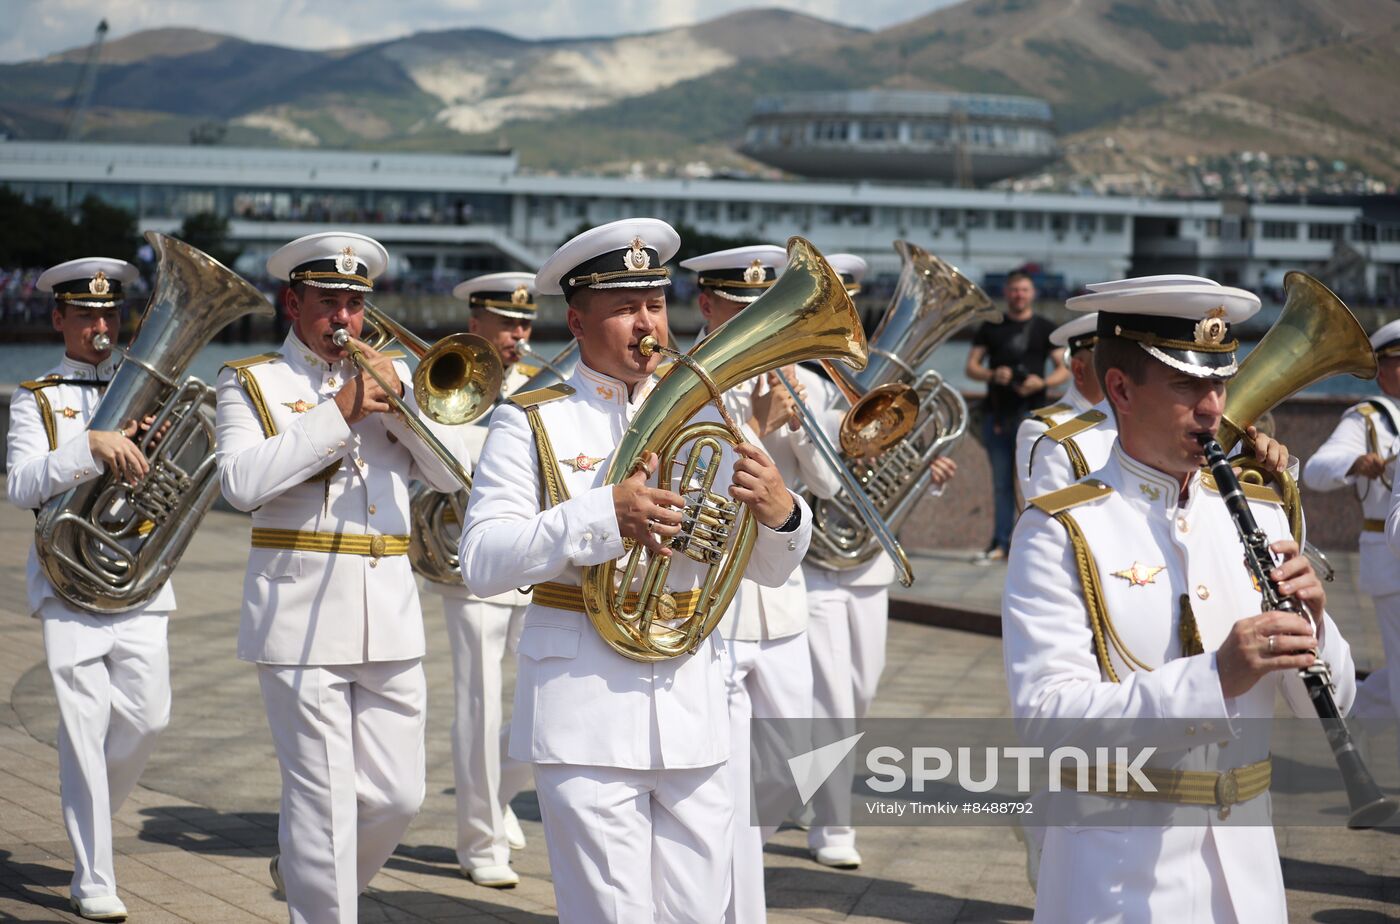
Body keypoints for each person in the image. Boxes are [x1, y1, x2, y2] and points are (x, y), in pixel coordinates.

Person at [459, 218, 812, 922]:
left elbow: (766, 570)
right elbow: (483, 560)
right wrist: (599, 517)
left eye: (653, 303)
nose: (646, 322)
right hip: (584, 714)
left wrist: (783, 513)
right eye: (623, 307)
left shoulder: (711, 408)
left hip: (695, 710)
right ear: (576, 320)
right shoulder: (528, 422)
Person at [1002, 275, 1354, 922]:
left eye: (1219, 383)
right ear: (1121, 390)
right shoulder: (1063, 530)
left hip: (1248, 882)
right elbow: (1048, 720)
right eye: (1190, 386)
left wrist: (1318, 629)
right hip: (1115, 876)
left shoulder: (1262, 514)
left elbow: (1327, 708)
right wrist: (1215, 678)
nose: (1215, 407)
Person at [215, 231, 465, 924]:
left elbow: (452, 477)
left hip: (388, 612)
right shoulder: (251, 381)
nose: (345, 320)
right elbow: (240, 482)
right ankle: (317, 895)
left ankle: (304, 873)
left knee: (398, 796)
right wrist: (342, 411)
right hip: (298, 616)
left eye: (356, 305)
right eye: (329, 302)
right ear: (292, 302)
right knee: (322, 803)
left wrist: (406, 411)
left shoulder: (397, 382)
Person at [7, 258, 174, 923]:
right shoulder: (38, 396)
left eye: (109, 315)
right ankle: (93, 874)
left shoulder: (148, 391)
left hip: (134, 573)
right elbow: (20, 484)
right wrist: (90, 447)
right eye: (86, 315)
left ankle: (93, 808)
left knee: (148, 717)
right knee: (83, 729)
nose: (101, 327)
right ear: (60, 320)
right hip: (70, 578)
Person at [683, 244, 835, 923]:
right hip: (713, 602)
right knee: (723, 784)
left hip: (781, 602)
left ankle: (719, 878)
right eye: (740, 309)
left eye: (763, 309)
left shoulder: (801, 378)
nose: (753, 321)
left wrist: (800, 424)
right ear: (705, 307)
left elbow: (830, 487)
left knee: (800, 763)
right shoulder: (680, 379)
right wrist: (760, 426)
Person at [801, 252, 957, 872]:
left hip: (865, 564)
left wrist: (927, 466)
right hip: (811, 560)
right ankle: (832, 822)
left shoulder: (878, 384)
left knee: (860, 692)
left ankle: (813, 793)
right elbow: (814, 477)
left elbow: (901, 459)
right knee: (830, 697)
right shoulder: (799, 382)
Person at [431, 271, 541, 887]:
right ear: (477, 324)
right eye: (506, 323)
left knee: (538, 705)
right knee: (478, 701)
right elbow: (444, 467)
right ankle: (479, 842)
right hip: (468, 565)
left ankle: (496, 797)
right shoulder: (449, 375)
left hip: (536, 561)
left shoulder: (539, 388)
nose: (518, 334)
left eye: (525, 323)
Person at [1310, 319, 1400, 745]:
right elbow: (1315, 469)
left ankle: (1351, 706)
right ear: (1382, 370)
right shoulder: (1368, 421)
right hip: (1390, 559)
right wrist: (1356, 463)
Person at [965, 270, 1067, 561]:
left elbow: (1064, 368)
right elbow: (971, 367)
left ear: (1032, 293)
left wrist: (1042, 383)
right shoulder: (990, 327)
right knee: (1000, 484)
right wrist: (992, 373)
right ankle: (1000, 542)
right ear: (1007, 293)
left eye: (1023, 290)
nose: (1018, 295)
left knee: (1032, 484)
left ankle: (1030, 544)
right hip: (996, 415)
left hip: (1032, 416)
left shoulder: (1045, 328)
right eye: (1014, 290)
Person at [1015, 312, 1111, 504]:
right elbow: (1047, 515)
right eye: (1109, 364)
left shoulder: (1136, 421)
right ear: (1078, 370)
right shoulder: (1042, 430)